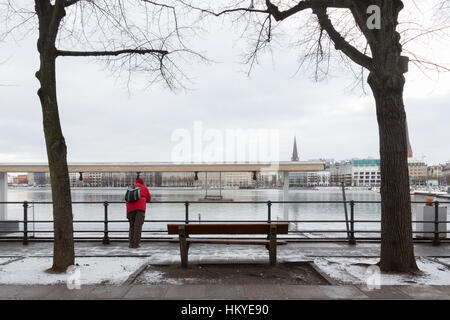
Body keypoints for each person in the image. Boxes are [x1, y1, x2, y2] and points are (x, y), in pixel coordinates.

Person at [126, 178, 151, 248]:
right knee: (138, 227)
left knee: (132, 226)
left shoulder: (131, 187)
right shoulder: (144, 188)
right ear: (142, 183)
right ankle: (136, 244)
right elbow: (149, 199)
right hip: (140, 208)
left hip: (130, 208)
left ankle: (131, 244)